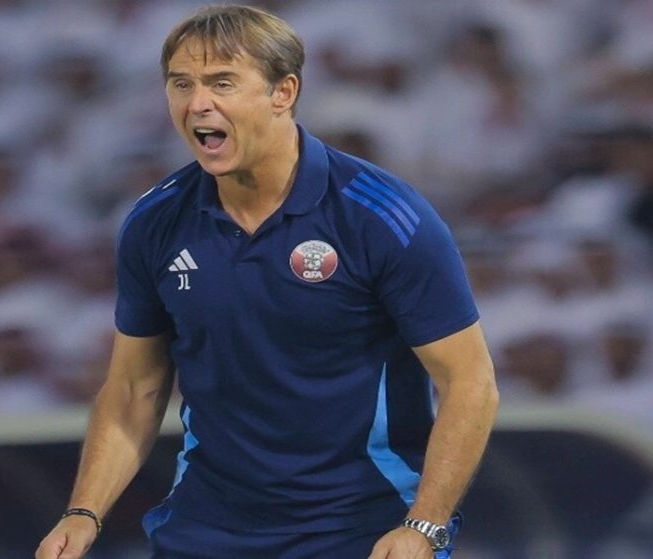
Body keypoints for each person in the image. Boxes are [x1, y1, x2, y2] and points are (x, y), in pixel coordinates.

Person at [36, 5, 499, 559]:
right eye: (181, 84)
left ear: (284, 92)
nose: (197, 103)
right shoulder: (154, 222)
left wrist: (424, 525)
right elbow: (135, 389)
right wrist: (83, 513)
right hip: (206, 531)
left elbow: (469, 383)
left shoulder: (381, 216)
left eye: (221, 83)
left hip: (362, 530)